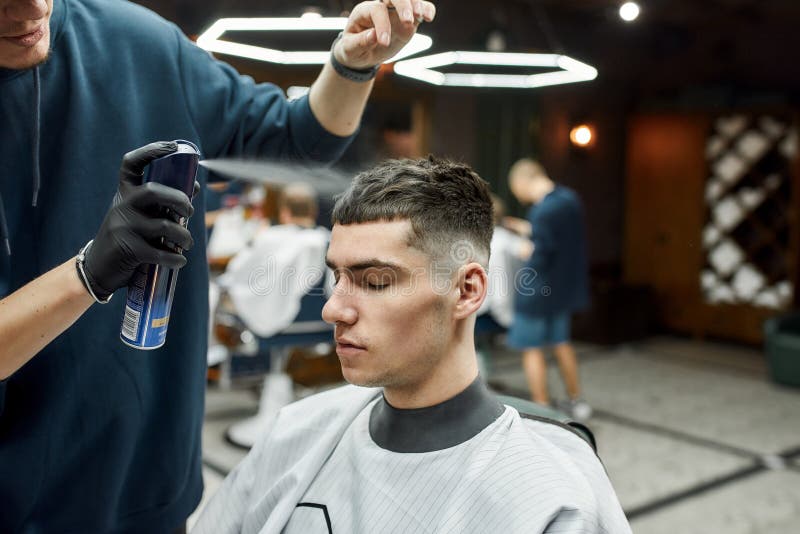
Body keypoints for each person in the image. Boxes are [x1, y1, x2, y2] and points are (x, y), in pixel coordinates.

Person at [0, 0, 435, 531]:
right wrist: (89, 274)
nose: (27, 11)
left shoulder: (141, 45)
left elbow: (297, 142)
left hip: (146, 488)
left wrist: (352, 63)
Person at [192, 157, 630, 533]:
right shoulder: (297, 431)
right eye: (338, 277)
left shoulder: (549, 499)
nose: (333, 311)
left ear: (466, 290)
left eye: (376, 281)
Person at [507, 158, 592, 420]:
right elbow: (559, 238)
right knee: (561, 342)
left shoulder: (541, 212)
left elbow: (540, 256)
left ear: (523, 181)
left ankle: (541, 407)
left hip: (537, 292)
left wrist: (525, 250)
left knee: (531, 348)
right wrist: (528, 229)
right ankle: (576, 401)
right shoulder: (570, 200)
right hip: (562, 290)